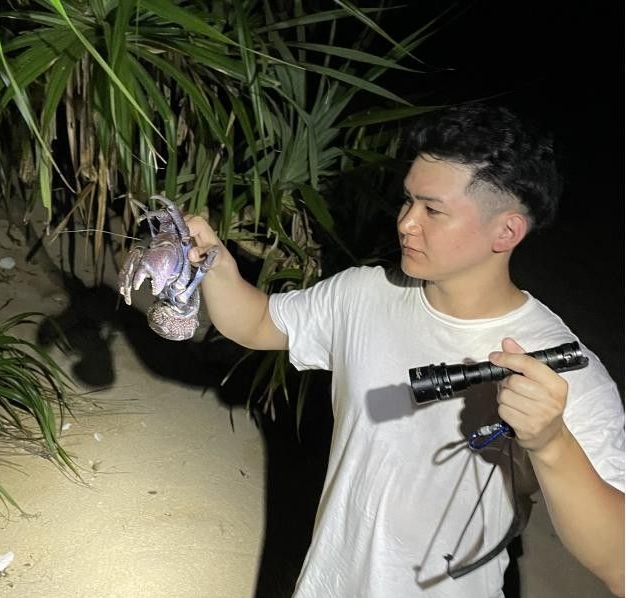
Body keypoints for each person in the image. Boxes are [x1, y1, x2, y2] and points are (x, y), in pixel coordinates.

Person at [183, 103, 625, 597]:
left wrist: (550, 442)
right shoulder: (365, 294)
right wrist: (217, 266)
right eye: (408, 201)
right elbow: (261, 322)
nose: (407, 223)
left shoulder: (565, 366)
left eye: (433, 210)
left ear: (506, 231)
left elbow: (619, 563)